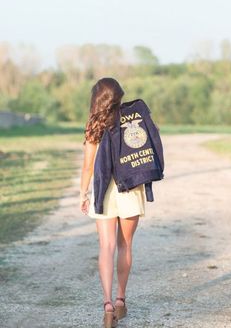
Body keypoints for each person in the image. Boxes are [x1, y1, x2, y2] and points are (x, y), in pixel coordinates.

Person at [79, 77, 146, 328]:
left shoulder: (92, 126)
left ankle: (107, 306)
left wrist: (83, 193)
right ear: (119, 96)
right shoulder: (132, 118)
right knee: (125, 246)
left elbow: (87, 167)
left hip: (104, 191)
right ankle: (120, 300)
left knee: (106, 246)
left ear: (96, 99)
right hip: (131, 188)